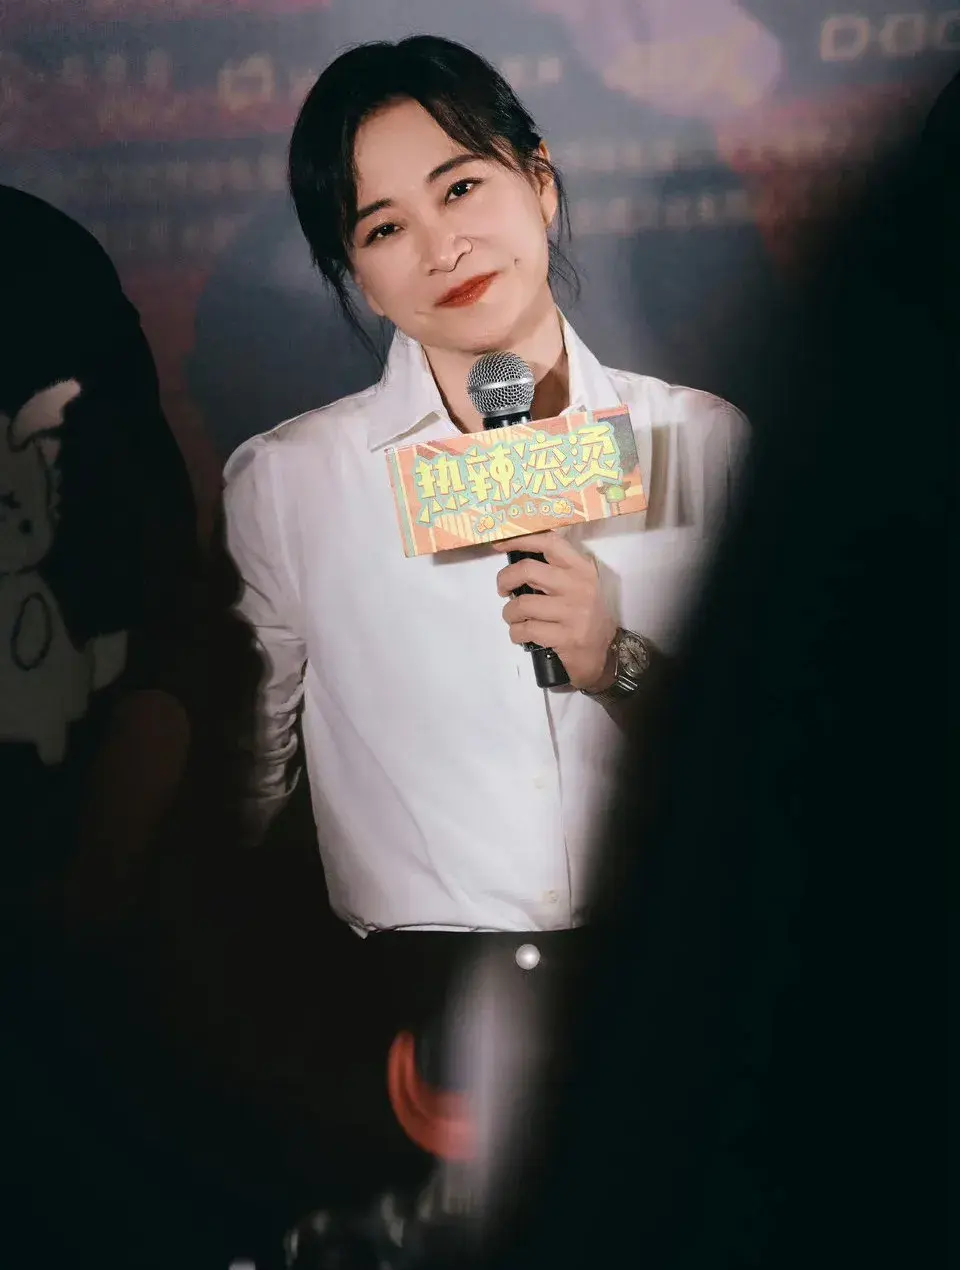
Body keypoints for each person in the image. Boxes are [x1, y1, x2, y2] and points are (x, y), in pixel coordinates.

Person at [223, 30, 748, 1156]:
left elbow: (784, 752)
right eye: (384, 227)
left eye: (461, 186)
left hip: (668, 993)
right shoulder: (293, 482)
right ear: (354, 273)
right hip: (408, 1025)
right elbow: (244, 780)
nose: (441, 244)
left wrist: (619, 663)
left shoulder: (701, 445)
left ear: (540, 183)